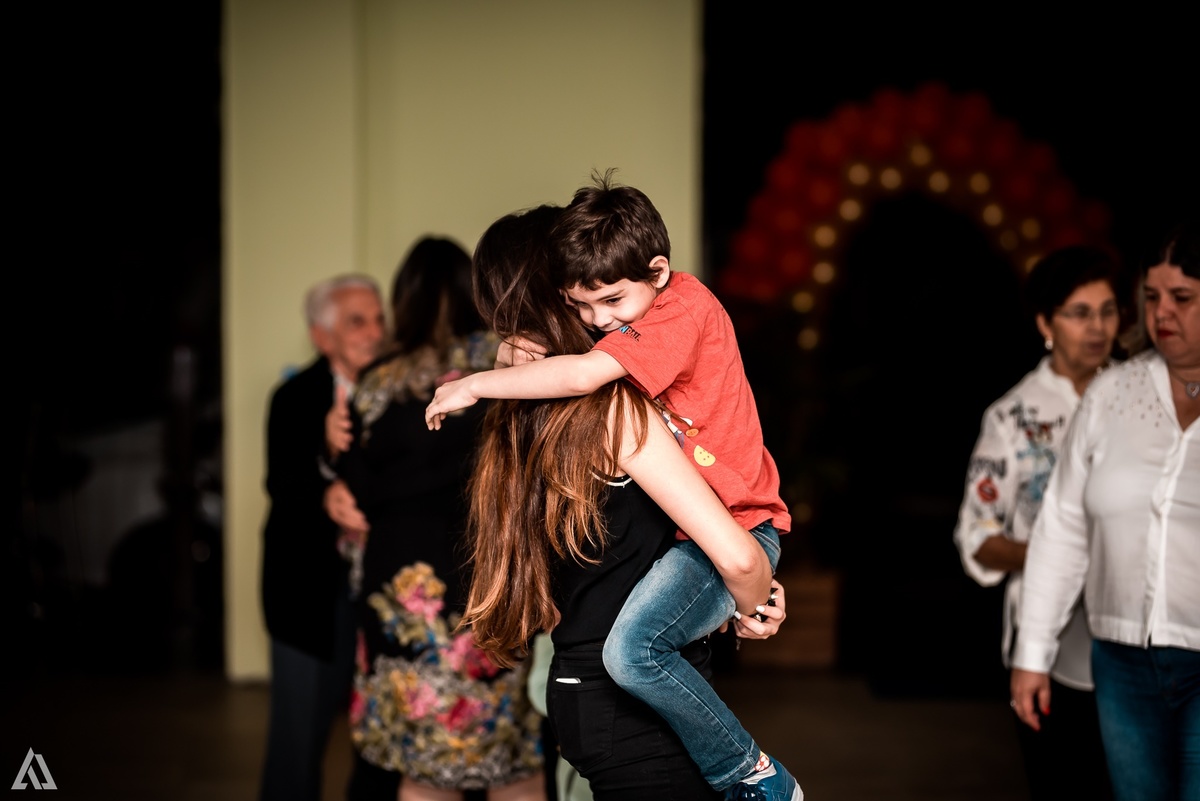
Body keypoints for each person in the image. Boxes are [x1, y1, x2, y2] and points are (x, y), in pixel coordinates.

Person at [456, 205, 788, 801]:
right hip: (629, 706)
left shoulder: (524, 412)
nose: (599, 315)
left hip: (580, 685)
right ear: (560, 296)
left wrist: (743, 583)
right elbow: (737, 560)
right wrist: (753, 582)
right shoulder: (612, 407)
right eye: (580, 295)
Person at [330, 237, 545, 801]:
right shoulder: (511, 367)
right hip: (494, 580)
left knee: (422, 768)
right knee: (515, 763)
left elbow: (356, 491)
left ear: (405, 301)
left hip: (404, 588)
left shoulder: (378, 383)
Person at [1011, 221, 1200, 801]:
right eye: (1151, 297)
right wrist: (1032, 655)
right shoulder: (1112, 393)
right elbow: (1063, 528)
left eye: (1183, 298)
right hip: (1120, 659)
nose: (1161, 312)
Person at [953, 246, 1119, 800]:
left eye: (1108, 310)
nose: (1097, 328)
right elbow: (976, 535)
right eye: (1079, 312)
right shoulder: (1013, 417)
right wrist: (1059, 553)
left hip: (1139, 633)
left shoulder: (1145, 398)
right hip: (1050, 642)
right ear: (1046, 323)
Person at [260, 274, 385, 801]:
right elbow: (282, 484)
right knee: (298, 741)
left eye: (379, 319)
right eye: (358, 321)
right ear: (321, 335)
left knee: (380, 744)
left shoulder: (400, 388)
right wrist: (325, 488)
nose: (374, 333)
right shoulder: (294, 396)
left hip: (382, 593)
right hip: (306, 595)